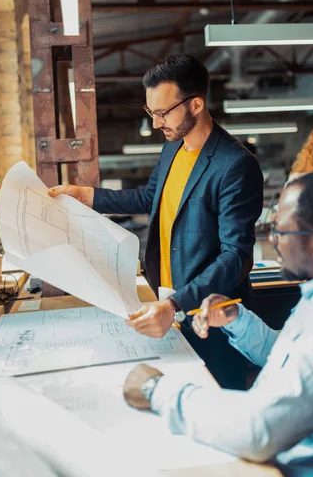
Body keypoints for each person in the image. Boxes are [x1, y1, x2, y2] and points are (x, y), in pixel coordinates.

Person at [123, 170, 313, 477]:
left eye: (282, 232)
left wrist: (156, 390)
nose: (274, 241)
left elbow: (259, 430)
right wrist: (237, 321)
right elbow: (294, 360)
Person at [48, 54, 263, 389]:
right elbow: (150, 199)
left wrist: (175, 303)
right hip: (169, 306)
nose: (155, 123)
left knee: (219, 403)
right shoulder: (173, 149)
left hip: (212, 315)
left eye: (163, 113)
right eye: (151, 113)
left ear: (195, 104)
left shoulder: (235, 164)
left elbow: (236, 256)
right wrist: (86, 196)